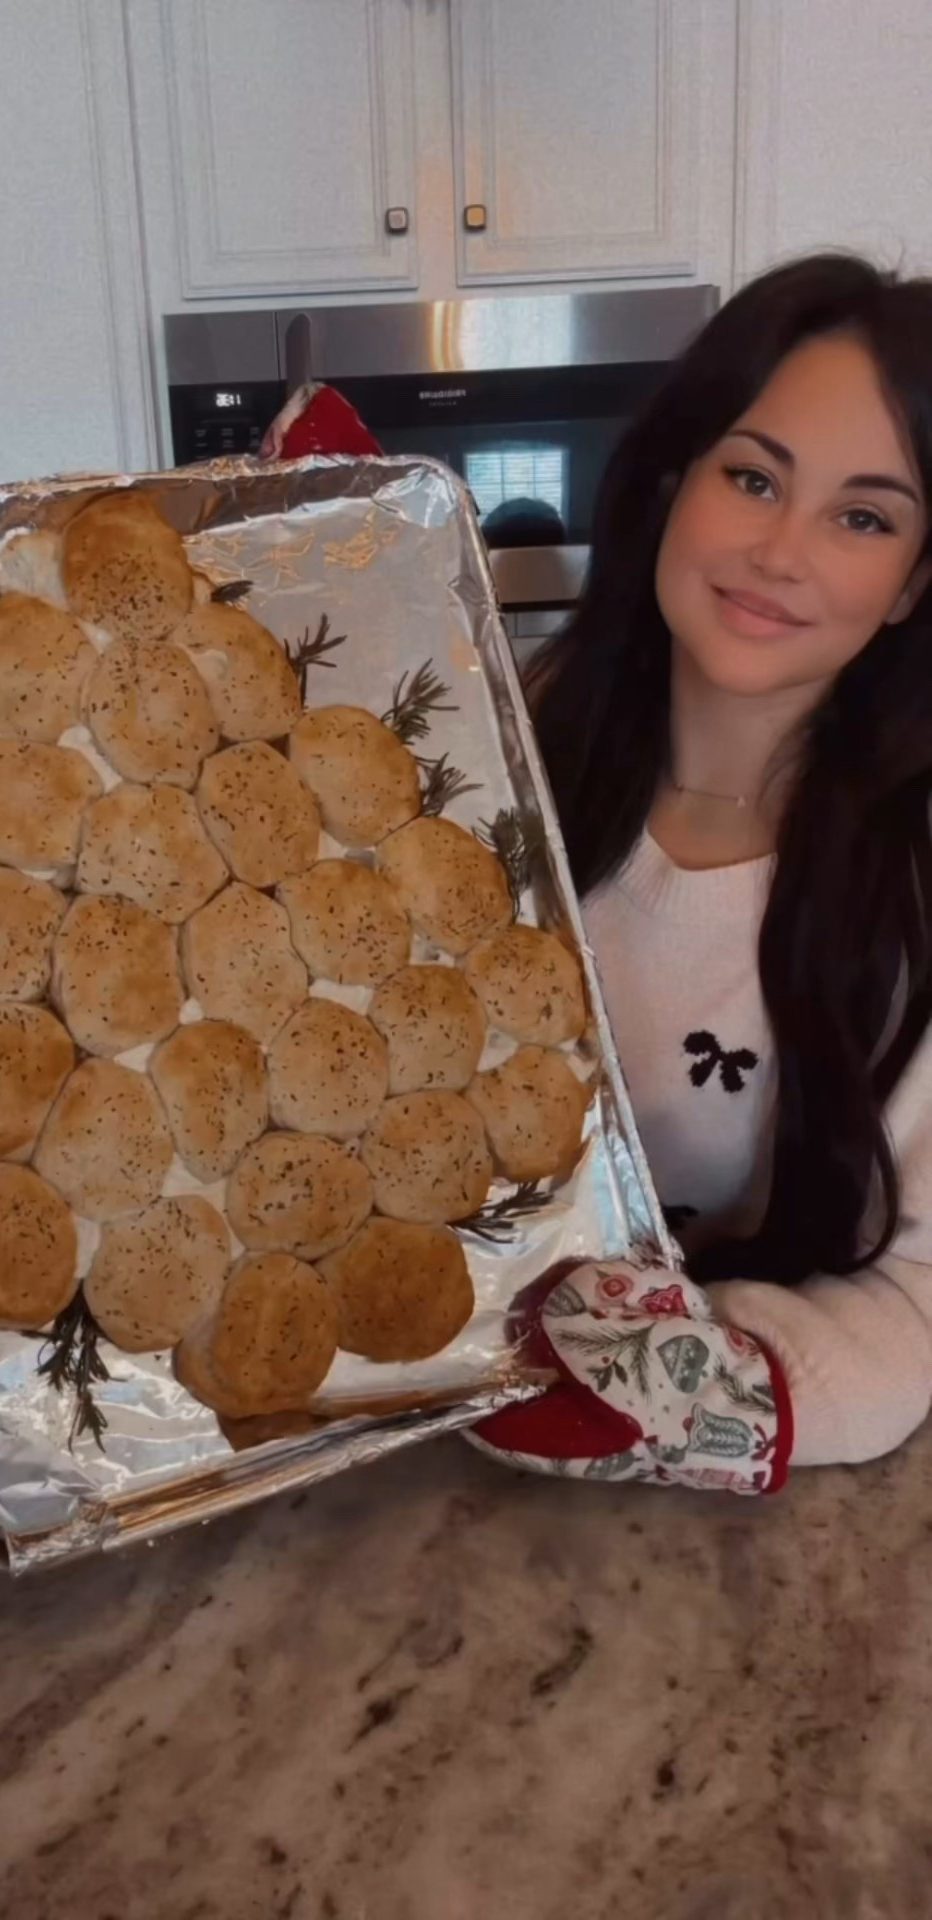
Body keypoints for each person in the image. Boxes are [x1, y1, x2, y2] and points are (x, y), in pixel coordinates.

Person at [473, 254, 932, 1493]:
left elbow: (920, 1301)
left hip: (732, 1547)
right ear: (674, 480)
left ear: (911, 588)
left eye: (863, 517)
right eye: (752, 477)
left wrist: (679, 1399)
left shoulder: (911, 892)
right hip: (402, 1450)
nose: (781, 551)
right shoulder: (489, 758)